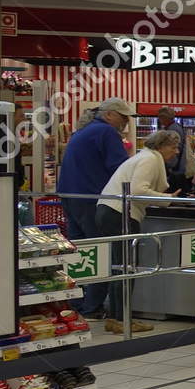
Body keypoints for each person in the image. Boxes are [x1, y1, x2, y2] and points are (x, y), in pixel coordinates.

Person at [95, 130, 181, 333]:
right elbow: (137, 191)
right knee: (126, 267)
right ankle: (122, 320)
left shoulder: (144, 157)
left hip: (109, 211)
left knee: (120, 267)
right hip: (120, 214)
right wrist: (165, 198)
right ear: (160, 146)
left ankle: (117, 318)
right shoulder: (150, 160)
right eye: (173, 146)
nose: (176, 152)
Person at [58, 97, 133, 318]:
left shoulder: (83, 131)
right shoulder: (107, 132)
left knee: (80, 252)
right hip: (91, 198)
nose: (125, 121)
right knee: (101, 252)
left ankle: (77, 304)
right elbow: (120, 168)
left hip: (70, 195)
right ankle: (93, 307)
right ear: (109, 114)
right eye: (122, 116)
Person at [155, 107, 195, 193]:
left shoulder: (173, 129)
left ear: (165, 118)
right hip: (179, 168)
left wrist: (169, 166)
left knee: (176, 193)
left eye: (160, 118)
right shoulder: (176, 127)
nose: (159, 120)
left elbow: (175, 150)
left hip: (177, 169)